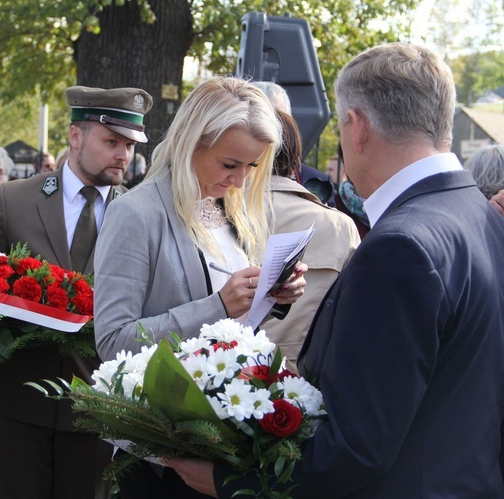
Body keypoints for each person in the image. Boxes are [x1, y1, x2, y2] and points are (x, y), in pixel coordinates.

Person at [170, 43, 504, 498]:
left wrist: (231, 483)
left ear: (357, 127)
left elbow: (357, 447)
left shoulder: (400, 248)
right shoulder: (480, 216)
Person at [94, 77, 307, 497]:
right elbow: (113, 343)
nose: (241, 181)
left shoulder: (232, 211)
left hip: (221, 446)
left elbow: (234, 329)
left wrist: (270, 295)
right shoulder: (134, 214)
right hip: (160, 460)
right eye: (230, 164)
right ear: (191, 142)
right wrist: (218, 306)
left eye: (252, 166)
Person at [0, 85, 153, 499]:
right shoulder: (13, 201)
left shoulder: (143, 214)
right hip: (17, 403)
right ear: (76, 136)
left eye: (129, 144)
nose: (123, 155)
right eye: (112, 142)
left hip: (99, 408)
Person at [259, 110, 359, 365]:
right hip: (303, 383)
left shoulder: (212, 211)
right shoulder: (339, 226)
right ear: (295, 156)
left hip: (213, 379)